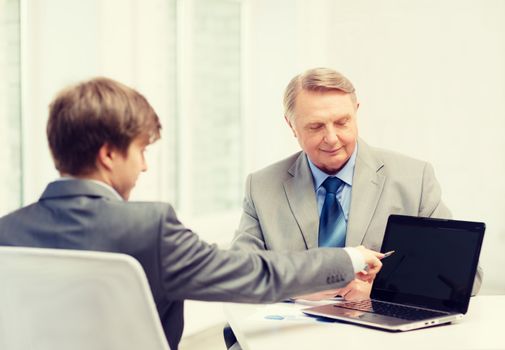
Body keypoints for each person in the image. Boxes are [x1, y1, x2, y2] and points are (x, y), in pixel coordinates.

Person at [0, 77, 384, 350]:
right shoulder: (148, 229)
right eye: (141, 151)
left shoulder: (7, 232)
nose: (144, 167)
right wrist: (349, 258)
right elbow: (255, 275)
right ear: (108, 155)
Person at [231, 67, 482, 302]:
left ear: (356, 112)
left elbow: (466, 280)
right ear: (291, 125)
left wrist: (381, 290)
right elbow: (238, 276)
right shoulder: (261, 187)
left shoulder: (414, 179)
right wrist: (302, 288)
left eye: (342, 122)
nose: (332, 138)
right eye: (316, 126)